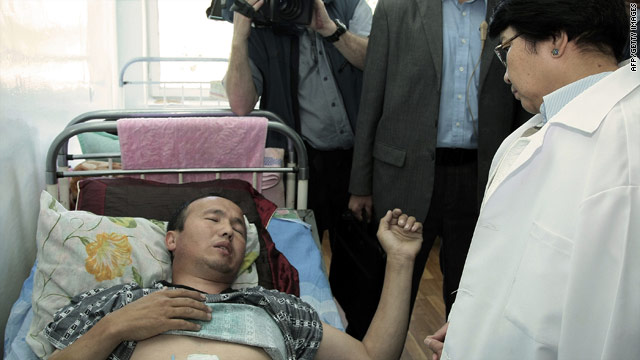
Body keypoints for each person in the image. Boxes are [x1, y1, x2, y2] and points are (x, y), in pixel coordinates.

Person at [425, 0, 639, 358]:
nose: (505, 74)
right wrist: (476, 325)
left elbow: (611, 335)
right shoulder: (535, 129)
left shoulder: (625, 158)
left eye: (506, 48)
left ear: (555, 39)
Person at [45, 194, 423, 360]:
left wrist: (401, 259)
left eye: (239, 229)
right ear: (171, 239)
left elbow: (371, 356)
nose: (228, 231)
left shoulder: (276, 308)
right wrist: (114, 328)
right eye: (213, 219)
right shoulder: (119, 302)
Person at [346, 0, 528, 337]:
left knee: (470, 294)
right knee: (385, 292)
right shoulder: (395, 9)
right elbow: (372, 95)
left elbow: (525, 103)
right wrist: (361, 183)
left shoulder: (511, 11)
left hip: (482, 178)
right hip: (403, 174)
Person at [224, 0, 371, 251]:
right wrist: (239, 36)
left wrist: (330, 29)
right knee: (296, 257)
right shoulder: (263, 21)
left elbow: (377, 61)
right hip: (298, 161)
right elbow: (240, 104)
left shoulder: (350, 6)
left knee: (359, 264)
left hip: (358, 158)